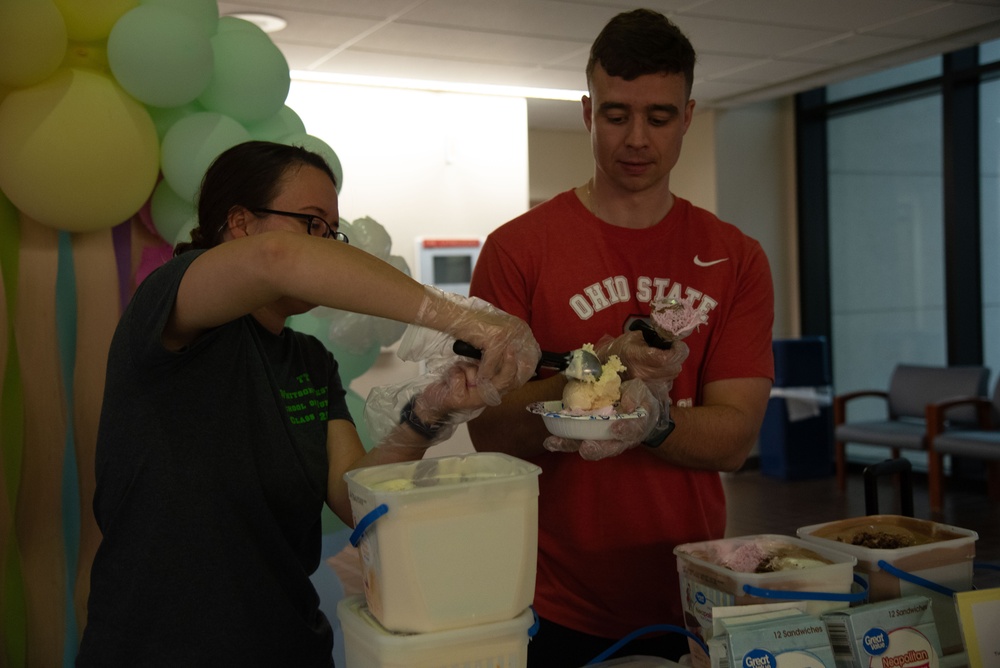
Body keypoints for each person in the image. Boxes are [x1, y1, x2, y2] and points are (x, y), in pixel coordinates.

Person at [76, 140, 540, 667]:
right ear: (240, 223)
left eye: (332, 231)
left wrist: (429, 412)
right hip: (159, 648)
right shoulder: (173, 306)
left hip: (286, 643)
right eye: (311, 223)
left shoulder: (310, 360)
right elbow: (278, 260)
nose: (328, 245)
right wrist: (460, 316)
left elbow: (351, 498)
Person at [467, 9, 774, 666]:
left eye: (659, 117)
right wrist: (601, 367)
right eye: (616, 115)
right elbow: (491, 431)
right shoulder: (518, 250)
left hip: (694, 588)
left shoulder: (735, 257)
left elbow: (736, 438)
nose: (636, 138)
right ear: (586, 112)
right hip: (553, 597)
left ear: (688, 115)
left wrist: (652, 422)